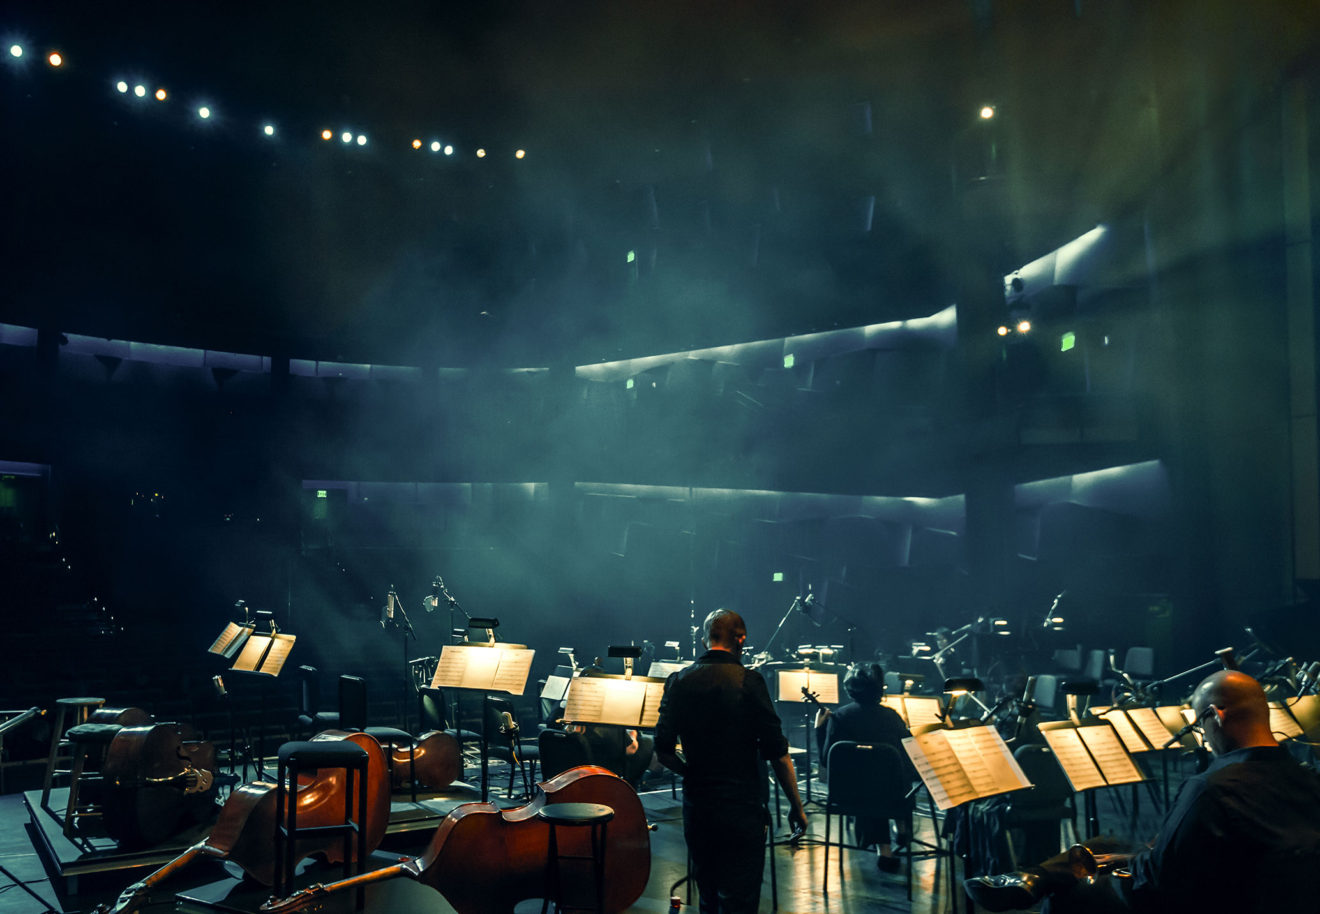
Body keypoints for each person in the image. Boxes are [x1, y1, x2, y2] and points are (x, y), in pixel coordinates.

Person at [964, 669, 1320, 913]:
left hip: (1207, 901)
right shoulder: (1306, 778)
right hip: (1268, 895)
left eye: (1199, 724)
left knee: (1076, 889)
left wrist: (1122, 869)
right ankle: (1034, 876)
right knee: (1106, 846)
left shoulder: (1211, 788)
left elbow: (1154, 884)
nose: (1203, 737)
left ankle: (1039, 879)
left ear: (1216, 715)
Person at [654, 609, 809, 914]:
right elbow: (776, 752)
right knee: (740, 898)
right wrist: (796, 805)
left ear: (704, 640)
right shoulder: (749, 681)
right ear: (742, 640)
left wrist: (692, 772)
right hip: (743, 808)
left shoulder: (678, 681)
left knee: (708, 895)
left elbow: (663, 752)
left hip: (698, 807)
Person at [813, 661, 915, 871]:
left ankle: (884, 850)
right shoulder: (891, 717)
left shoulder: (839, 717)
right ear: (880, 688)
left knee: (866, 782)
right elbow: (911, 755)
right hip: (892, 794)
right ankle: (902, 823)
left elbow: (826, 760)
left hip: (850, 796)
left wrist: (819, 729)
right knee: (889, 777)